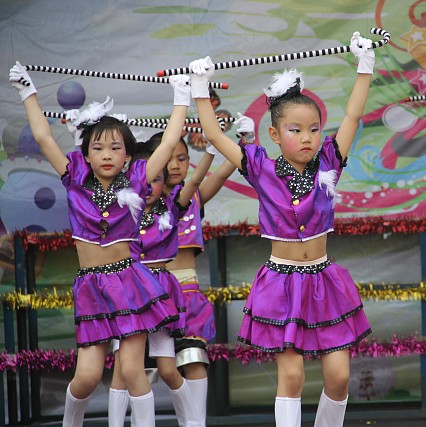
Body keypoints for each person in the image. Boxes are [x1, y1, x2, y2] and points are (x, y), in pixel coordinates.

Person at [188, 30, 375, 427]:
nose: (307, 138)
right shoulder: (260, 167)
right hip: (282, 284)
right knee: (291, 377)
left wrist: (365, 65)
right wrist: (200, 88)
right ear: (274, 134)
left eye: (313, 129)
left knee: (339, 377)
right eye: (295, 130)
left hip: (324, 281)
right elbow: (215, 135)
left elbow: (353, 117)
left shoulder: (330, 161)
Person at [9, 62, 187, 427]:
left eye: (115, 147)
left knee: (133, 369)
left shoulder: (138, 178)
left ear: (127, 155)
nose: (107, 154)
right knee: (87, 376)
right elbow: (44, 138)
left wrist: (183, 94)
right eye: (98, 147)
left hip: (130, 282)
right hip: (91, 286)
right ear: (87, 154)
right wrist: (28, 92)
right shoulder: (74, 177)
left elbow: (169, 142)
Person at [109, 76, 211, 427]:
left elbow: (193, 178)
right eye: (143, 180)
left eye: (156, 178)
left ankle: (194, 422)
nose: (149, 185)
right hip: (129, 291)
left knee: (170, 368)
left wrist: (212, 150)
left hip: (165, 291)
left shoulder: (174, 205)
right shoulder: (121, 209)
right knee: (125, 368)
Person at [164, 117, 241, 426]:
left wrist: (244, 144)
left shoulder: (193, 197)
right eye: (168, 158)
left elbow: (221, 172)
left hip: (188, 292)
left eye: (182, 158)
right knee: (148, 369)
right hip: (152, 295)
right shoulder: (142, 201)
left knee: (195, 360)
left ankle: (196, 423)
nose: (174, 165)